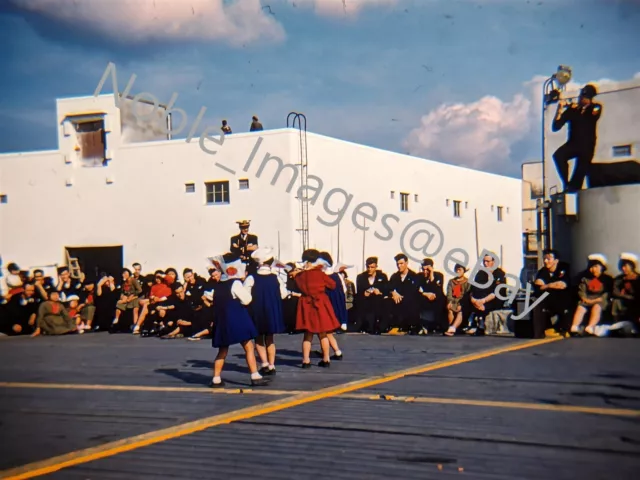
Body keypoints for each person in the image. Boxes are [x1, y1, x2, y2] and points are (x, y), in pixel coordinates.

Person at [208, 253, 271, 388]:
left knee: (222, 350)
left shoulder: (218, 285)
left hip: (223, 322)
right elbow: (247, 299)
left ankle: (216, 378)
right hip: (237, 319)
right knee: (248, 346)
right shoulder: (235, 283)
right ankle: (255, 375)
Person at [245, 248, 288, 376]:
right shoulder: (276, 277)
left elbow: (246, 296)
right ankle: (272, 364)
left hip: (257, 311)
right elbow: (284, 294)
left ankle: (264, 363)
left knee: (258, 338)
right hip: (272, 311)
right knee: (270, 338)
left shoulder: (251, 278)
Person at [551, 84, 602, 193]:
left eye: (585, 97)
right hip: (573, 143)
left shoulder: (595, 107)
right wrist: (560, 109)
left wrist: (575, 107)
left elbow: (592, 115)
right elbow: (556, 126)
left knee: (579, 175)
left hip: (587, 147)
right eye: (582, 96)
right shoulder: (573, 110)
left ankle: (573, 188)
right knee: (558, 155)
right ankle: (566, 183)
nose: (582, 99)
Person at [294, 249, 340, 368]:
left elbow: (297, 284)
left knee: (308, 334)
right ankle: (326, 359)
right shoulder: (320, 273)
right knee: (322, 333)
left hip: (307, 304)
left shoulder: (300, 275)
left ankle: (306, 360)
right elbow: (332, 285)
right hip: (320, 303)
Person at [570, 254, 614, 336]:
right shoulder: (585, 279)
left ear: (602, 267)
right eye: (592, 267)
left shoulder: (607, 279)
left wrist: (597, 300)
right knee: (580, 308)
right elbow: (582, 290)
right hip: (587, 299)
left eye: (596, 267)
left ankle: (590, 327)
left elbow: (607, 293)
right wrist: (584, 298)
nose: (593, 269)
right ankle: (574, 327)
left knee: (596, 308)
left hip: (600, 300)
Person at [532, 249, 572, 338]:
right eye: (544, 258)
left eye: (548, 259)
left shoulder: (564, 268)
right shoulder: (543, 271)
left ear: (556, 260)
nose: (545, 261)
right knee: (537, 305)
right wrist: (552, 285)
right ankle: (540, 331)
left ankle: (565, 329)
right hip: (549, 300)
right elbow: (538, 285)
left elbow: (562, 285)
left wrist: (547, 285)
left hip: (563, 299)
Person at [387, 253, 422, 334]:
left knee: (411, 302)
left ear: (406, 263)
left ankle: (410, 326)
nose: (399, 266)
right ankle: (392, 325)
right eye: (397, 264)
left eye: (401, 263)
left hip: (409, 302)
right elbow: (388, 287)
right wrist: (393, 292)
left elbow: (413, 291)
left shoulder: (414, 276)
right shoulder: (394, 276)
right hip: (396, 301)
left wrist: (400, 296)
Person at [355, 256, 388, 334]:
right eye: (368, 267)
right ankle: (365, 325)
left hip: (378, 301)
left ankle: (378, 326)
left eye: (372, 267)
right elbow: (359, 291)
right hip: (366, 300)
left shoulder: (382, 276)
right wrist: (365, 293)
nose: (370, 269)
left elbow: (386, 290)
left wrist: (379, 292)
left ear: (376, 267)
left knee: (381, 303)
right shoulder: (361, 277)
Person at [417, 258, 446, 334]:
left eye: (427, 269)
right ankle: (422, 325)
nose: (425, 272)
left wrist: (432, 275)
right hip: (425, 299)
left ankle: (439, 325)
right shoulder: (419, 277)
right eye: (423, 269)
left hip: (437, 299)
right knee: (416, 299)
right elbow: (415, 290)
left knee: (441, 299)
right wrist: (426, 294)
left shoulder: (439, 275)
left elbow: (438, 290)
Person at [612, 253, 640, 323]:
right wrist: (626, 296)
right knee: (616, 301)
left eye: (625, 266)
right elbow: (615, 292)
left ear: (632, 266)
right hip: (623, 303)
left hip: (636, 303)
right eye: (622, 266)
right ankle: (616, 322)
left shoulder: (638, 278)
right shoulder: (619, 279)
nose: (623, 268)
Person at [445, 264, 470, 336]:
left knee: (460, 311)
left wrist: (460, 304)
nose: (458, 271)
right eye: (456, 270)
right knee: (450, 309)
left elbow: (467, 295)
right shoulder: (451, 281)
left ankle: (453, 328)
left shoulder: (467, 282)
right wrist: (450, 302)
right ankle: (450, 327)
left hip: (462, 302)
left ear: (463, 271)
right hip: (453, 301)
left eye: (460, 270)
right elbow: (449, 293)